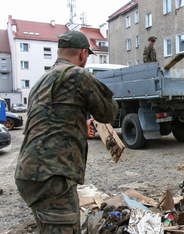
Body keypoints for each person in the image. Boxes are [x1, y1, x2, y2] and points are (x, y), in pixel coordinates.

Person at [14, 30, 119, 233]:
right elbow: (108, 113)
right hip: (52, 176)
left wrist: (78, 123)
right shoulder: (78, 75)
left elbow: (49, 120)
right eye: (87, 56)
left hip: (28, 173)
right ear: (82, 54)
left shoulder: (40, 81)